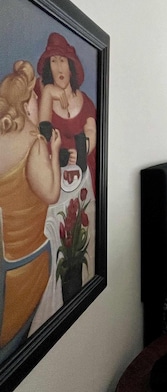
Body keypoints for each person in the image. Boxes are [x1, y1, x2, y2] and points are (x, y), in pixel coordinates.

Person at [0, 60, 61, 361]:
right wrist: (55, 154)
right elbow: (51, 193)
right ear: (26, 104)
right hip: (22, 267)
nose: (39, 99)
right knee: (58, 234)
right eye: (35, 96)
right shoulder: (33, 143)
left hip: (3, 261)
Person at [37, 32, 97, 192]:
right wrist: (48, 92)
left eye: (62, 61)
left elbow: (91, 131)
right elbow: (43, 133)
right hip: (52, 172)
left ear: (71, 68)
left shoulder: (86, 101)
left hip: (80, 170)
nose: (59, 68)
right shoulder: (43, 96)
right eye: (53, 61)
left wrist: (81, 154)